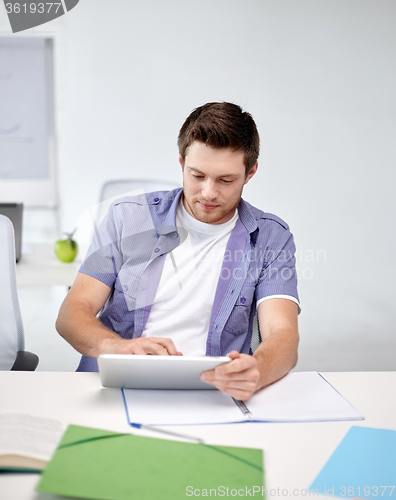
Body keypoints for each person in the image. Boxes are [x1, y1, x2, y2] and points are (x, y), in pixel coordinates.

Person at [56, 102, 300, 401]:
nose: (209, 193)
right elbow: (72, 312)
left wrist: (257, 371)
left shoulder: (271, 237)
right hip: (117, 387)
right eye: (197, 176)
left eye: (225, 180)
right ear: (182, 162)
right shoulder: (127, 218)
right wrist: (118, 348)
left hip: (212, 392)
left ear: (250, 173)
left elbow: (283, 334)